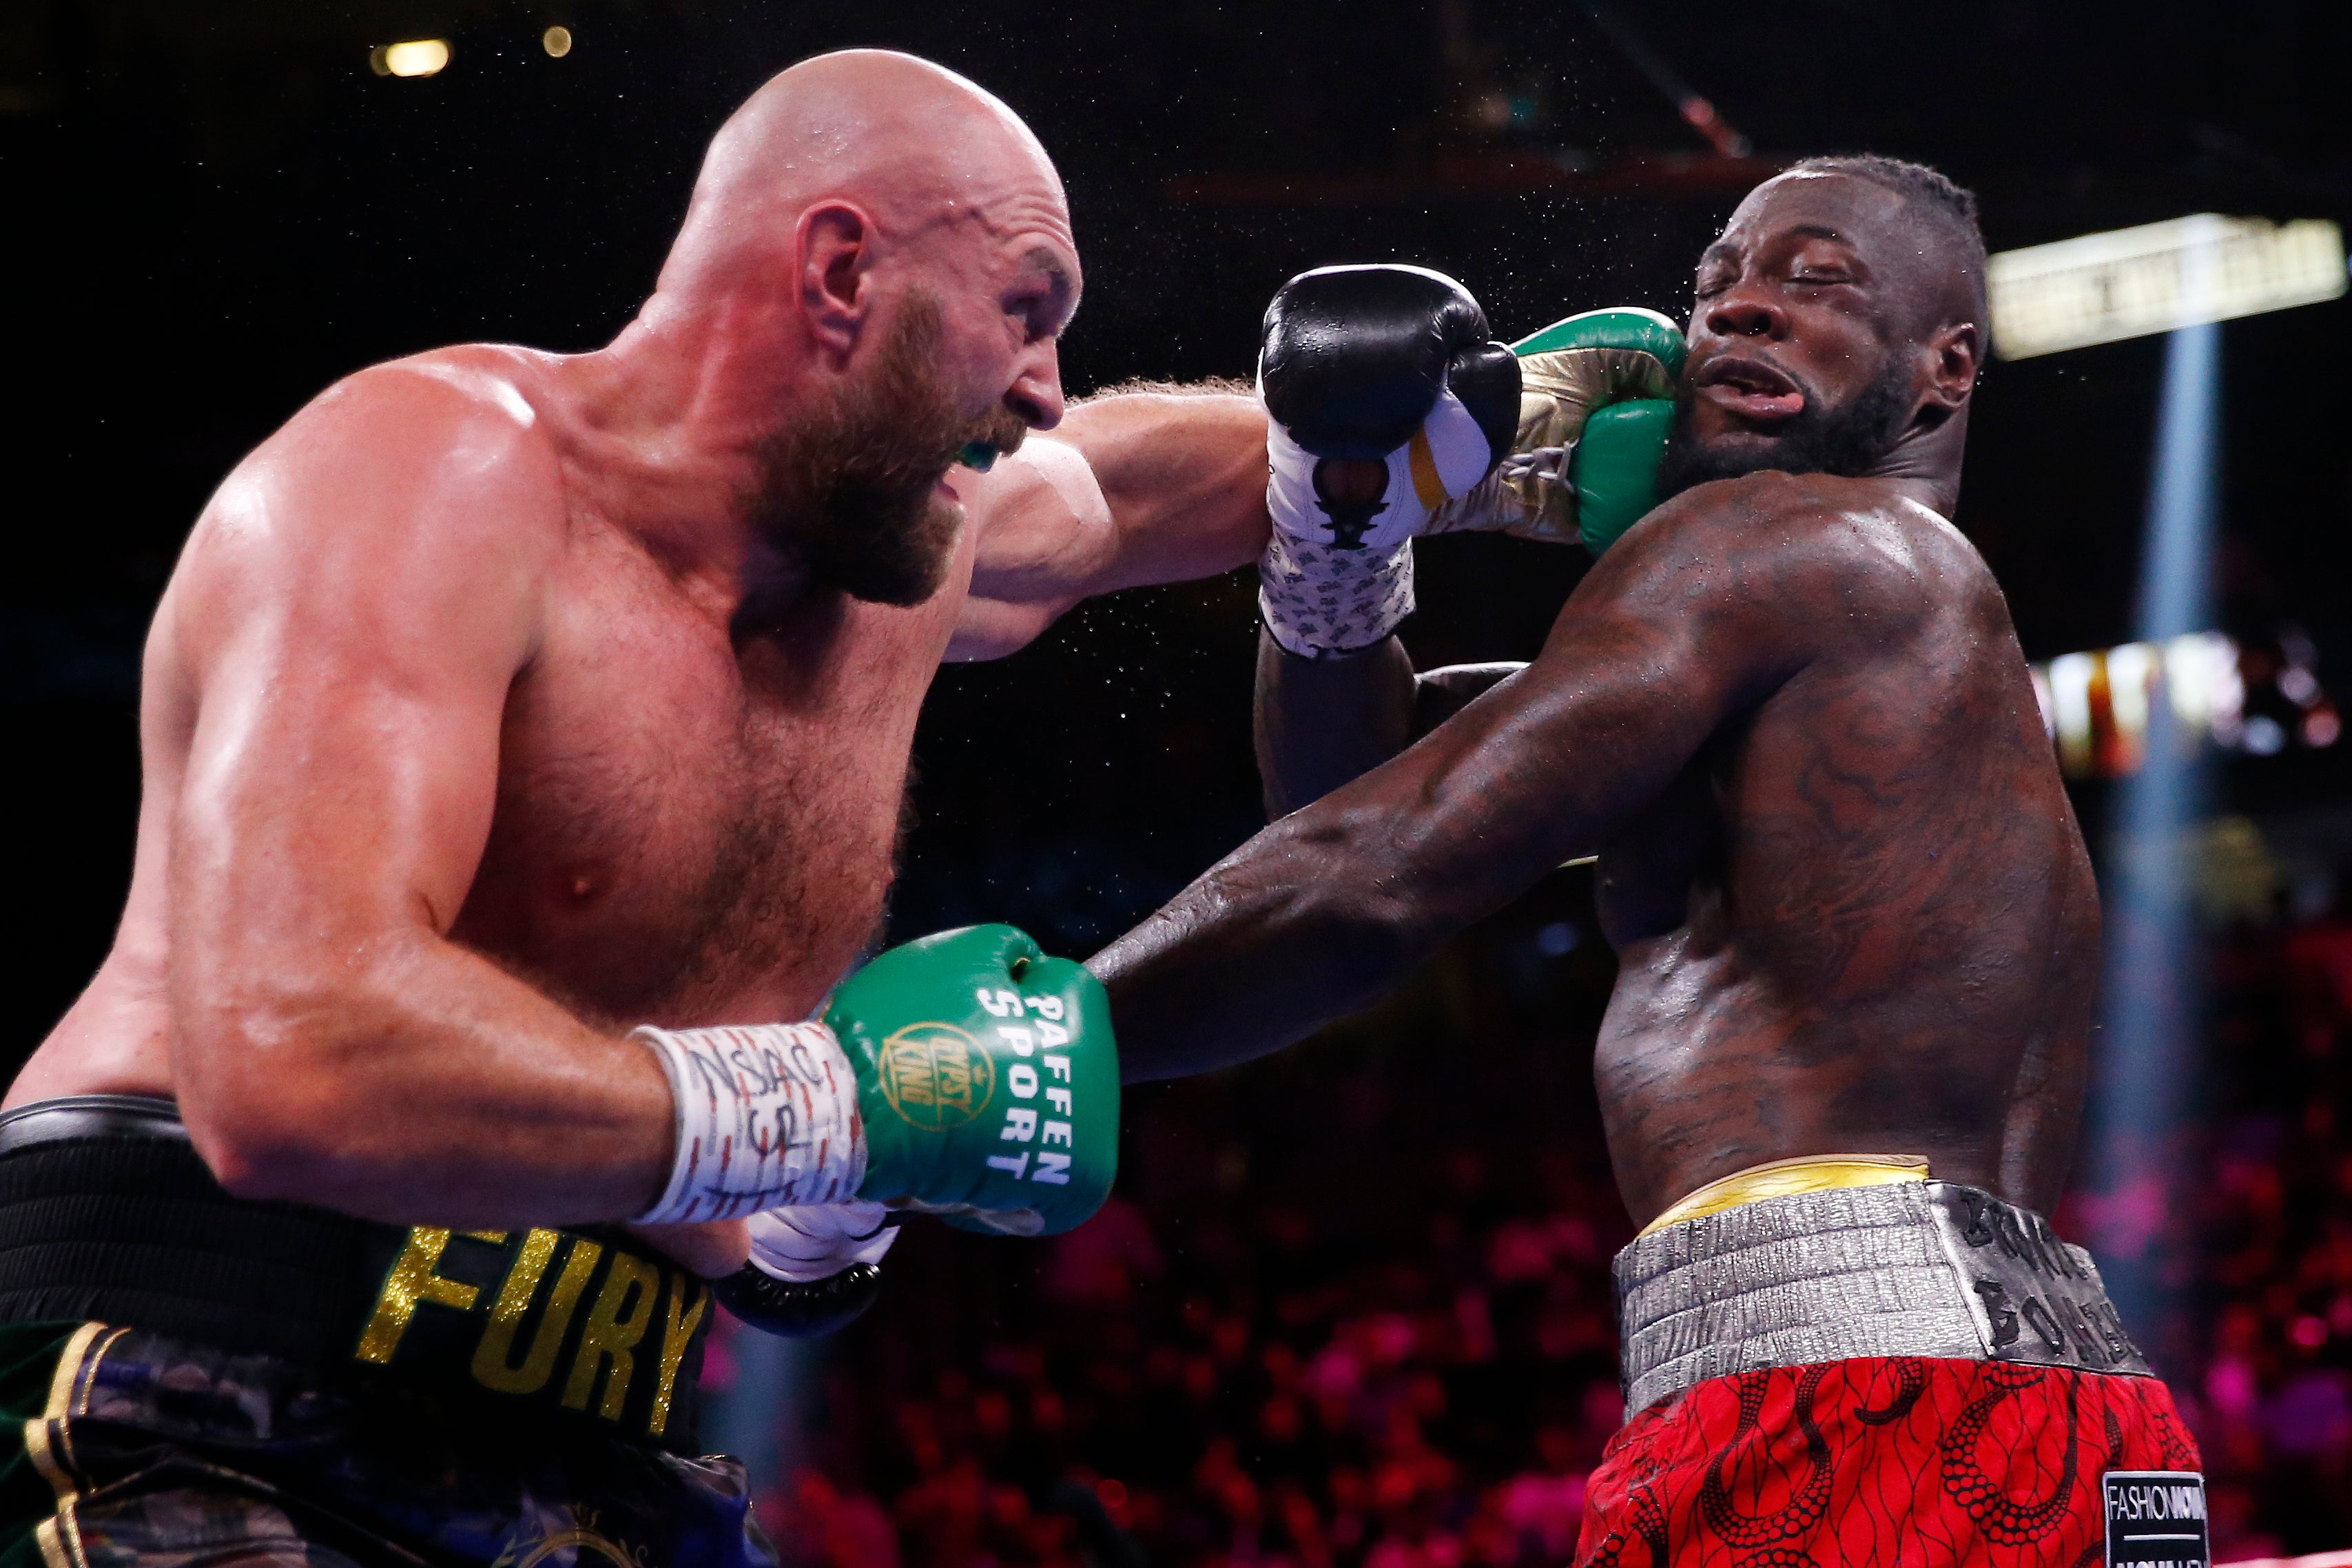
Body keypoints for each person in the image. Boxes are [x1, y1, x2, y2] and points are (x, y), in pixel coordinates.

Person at [0, 49, 1272, 1568]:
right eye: (1026, 307)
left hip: (594, 1437)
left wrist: (1480, 434)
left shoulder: (902, 557)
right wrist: (823, 1108)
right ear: (842, 271)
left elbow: (1120, 494)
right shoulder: (437, 475)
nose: (1045, 384)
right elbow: (291, 1058)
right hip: (200, 1366)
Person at [1081, 158, 2209, 1562]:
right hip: (2030, 1407)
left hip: (1854, 1411)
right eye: (1716, 283)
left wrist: (998, 1049)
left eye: (1813, 281)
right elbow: (1350, 800)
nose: (1739, 310)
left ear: (1946, 366)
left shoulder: (1783, 541)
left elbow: (1373, 874)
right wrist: (1337, 543)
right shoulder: (1866, 614)